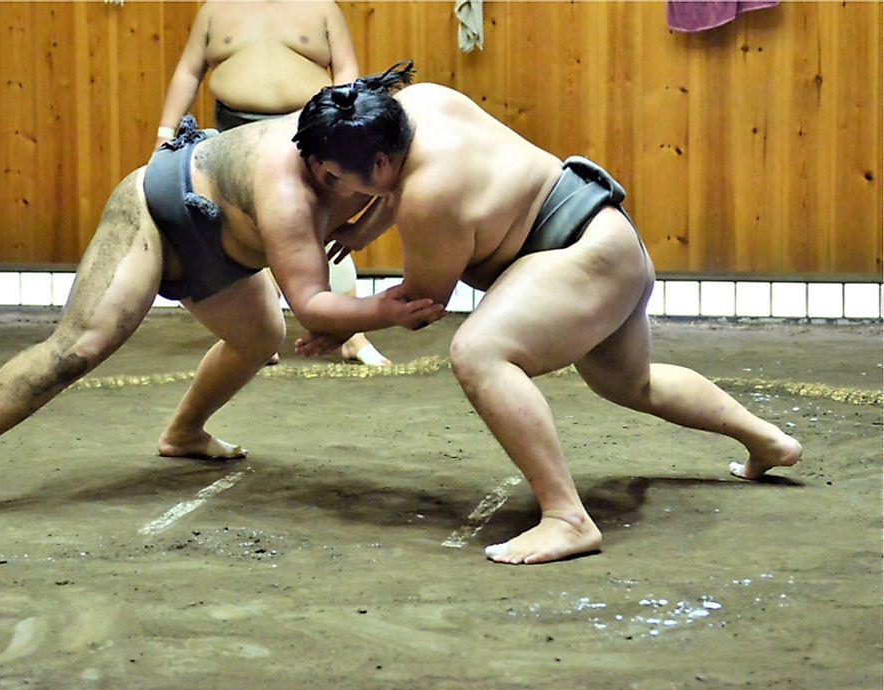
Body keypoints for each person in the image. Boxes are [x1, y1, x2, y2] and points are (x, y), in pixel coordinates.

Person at [291, 62, 804, 565]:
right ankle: (768, 441)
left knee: (479, 353)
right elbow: (401, 180)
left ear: (377, 162)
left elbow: (419, 305)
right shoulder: (420, 103)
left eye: (337, 177)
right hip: (607, 235)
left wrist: (339, 322)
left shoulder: (427, 198)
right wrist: (362, 231)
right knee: (631, 384)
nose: (336, 191)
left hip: (580, 259)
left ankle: (568, 518)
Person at [0, 114, 445, 529]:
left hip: (226, 248)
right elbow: (309, 303)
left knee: (260, 337)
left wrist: (360, 233)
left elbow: (397, 189)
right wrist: (381, 312)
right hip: (156, 213)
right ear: (326, 168)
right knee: (80, 347)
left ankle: (184, 434)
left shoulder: (394, 139)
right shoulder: (288, 190)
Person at [155, 0, 390, 366]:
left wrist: (344, 128)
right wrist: (165, 133)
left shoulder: (322, 8)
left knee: (323, 225)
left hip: (306, 131)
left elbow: (346, 71)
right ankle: (259, 333)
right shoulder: (215, 10)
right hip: (234, 134)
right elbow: (188, 71)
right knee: (243, 232)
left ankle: (351, 335)